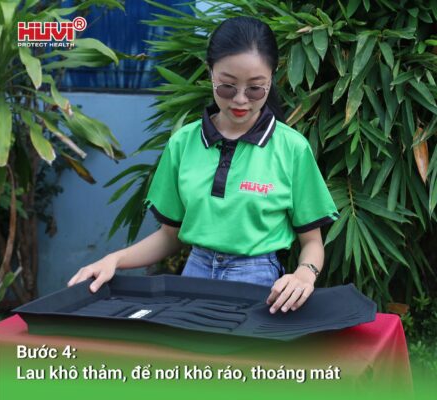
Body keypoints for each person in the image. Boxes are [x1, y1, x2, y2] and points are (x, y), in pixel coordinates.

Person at [68, 16, 339, 314]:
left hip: (259, 284)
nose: (240, 100)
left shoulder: (292, 149)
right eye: (227, 86)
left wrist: (304, 274)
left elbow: (312, 242)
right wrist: (114, 260)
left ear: (271, 78)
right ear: (210, 72)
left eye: (255, 88)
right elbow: (169, 236)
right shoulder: (182, 143)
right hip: (193, 278)